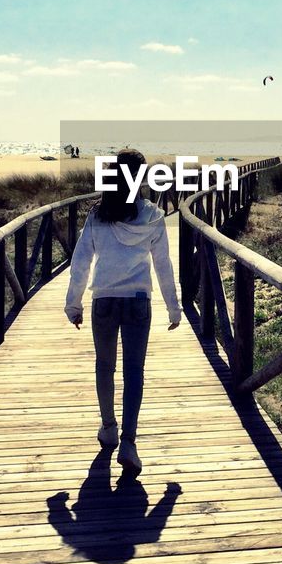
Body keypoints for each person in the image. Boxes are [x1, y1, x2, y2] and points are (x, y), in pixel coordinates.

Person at [65, 148, 182, 477]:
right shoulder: (152, 215)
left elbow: (81, 262)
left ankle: (108, 428)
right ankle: (129, 442)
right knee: (134, 372)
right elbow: (162, 265)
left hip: (104, 300)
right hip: (137, 301)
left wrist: (74, 304)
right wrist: (174, 307)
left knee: (105, 366)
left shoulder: (97, 214)